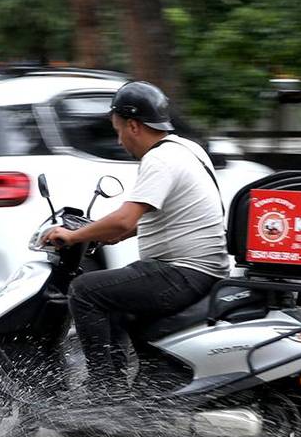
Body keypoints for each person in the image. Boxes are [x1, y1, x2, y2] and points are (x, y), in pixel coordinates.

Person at [40, 81, 229, 396]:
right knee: (114, 294)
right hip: (201, 269)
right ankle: (140, 388)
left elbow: (126, 217)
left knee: (85, 291)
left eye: (118, 131)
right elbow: (156, 217)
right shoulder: (187, 148)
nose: (120, 139)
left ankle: (103, 389)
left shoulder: (160, 160)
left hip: (183, 271)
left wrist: (73, 235)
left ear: (133, 125)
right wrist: (107, 235)